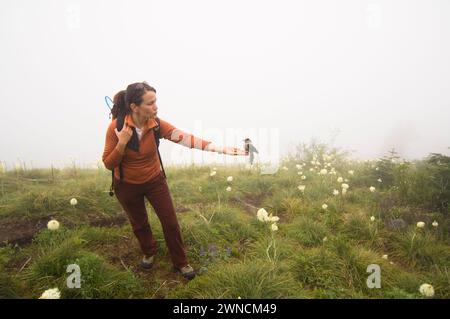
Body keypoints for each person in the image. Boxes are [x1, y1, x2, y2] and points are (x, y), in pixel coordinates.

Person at [102, 81, 247, 280]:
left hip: (154, 181)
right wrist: (122, 143)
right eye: (150, 103)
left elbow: (186, 138)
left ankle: (180, 262)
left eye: (156, 101)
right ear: (135, 107)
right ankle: (149, 251)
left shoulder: (156, 124)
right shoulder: (116, 128)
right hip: (126, 185)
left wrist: (219, 149)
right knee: (139, 223)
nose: (156, 107)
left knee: (170, 222)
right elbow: (109, 164)